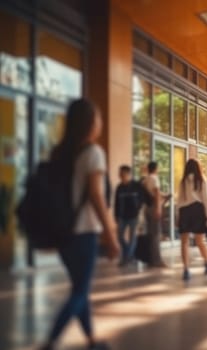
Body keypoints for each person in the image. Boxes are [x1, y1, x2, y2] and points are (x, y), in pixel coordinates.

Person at [41, 99, 119, 350]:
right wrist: (110, 233)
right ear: (90, 123)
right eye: (98, 118)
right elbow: (96, 196)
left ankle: (91, 340)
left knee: (79, 288)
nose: (101, 123)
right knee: (79, 292)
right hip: (84, 232)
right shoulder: (93, 152)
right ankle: (50, 342)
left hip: (63, 232)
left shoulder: (60, 152)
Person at [176, 159, 207, 281]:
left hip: (185, 211)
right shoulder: (202, 180)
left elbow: (179, 200)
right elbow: (206, 199)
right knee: (200, 241)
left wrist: (177, 215)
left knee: (184, 242)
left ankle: (186, 269)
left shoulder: (183, 181)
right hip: (198, 210)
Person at [142, 161, 170, 268]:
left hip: (147, 208)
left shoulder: (146, 179)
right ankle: (157, 260)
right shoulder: (154, 178)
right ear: (155, 169)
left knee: (150, 233)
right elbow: (157, 193)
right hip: (154, 207)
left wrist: (165, 195)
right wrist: (158, 208)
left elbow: (151, 193)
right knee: (156, 234)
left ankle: (150, 259)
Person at [114, 165, 143, 266]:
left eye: (123, 174)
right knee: (119, 236)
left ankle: (126, 258)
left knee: (132, 237)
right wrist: (116, 216)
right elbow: (116, 203)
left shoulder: (136, 186)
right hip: (122, 216)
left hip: (133, 216)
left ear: (128, 174)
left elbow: (142, 199)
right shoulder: (119, 188)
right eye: (120, 174)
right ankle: (128, 253)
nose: (121, 176)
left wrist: (138, 208)